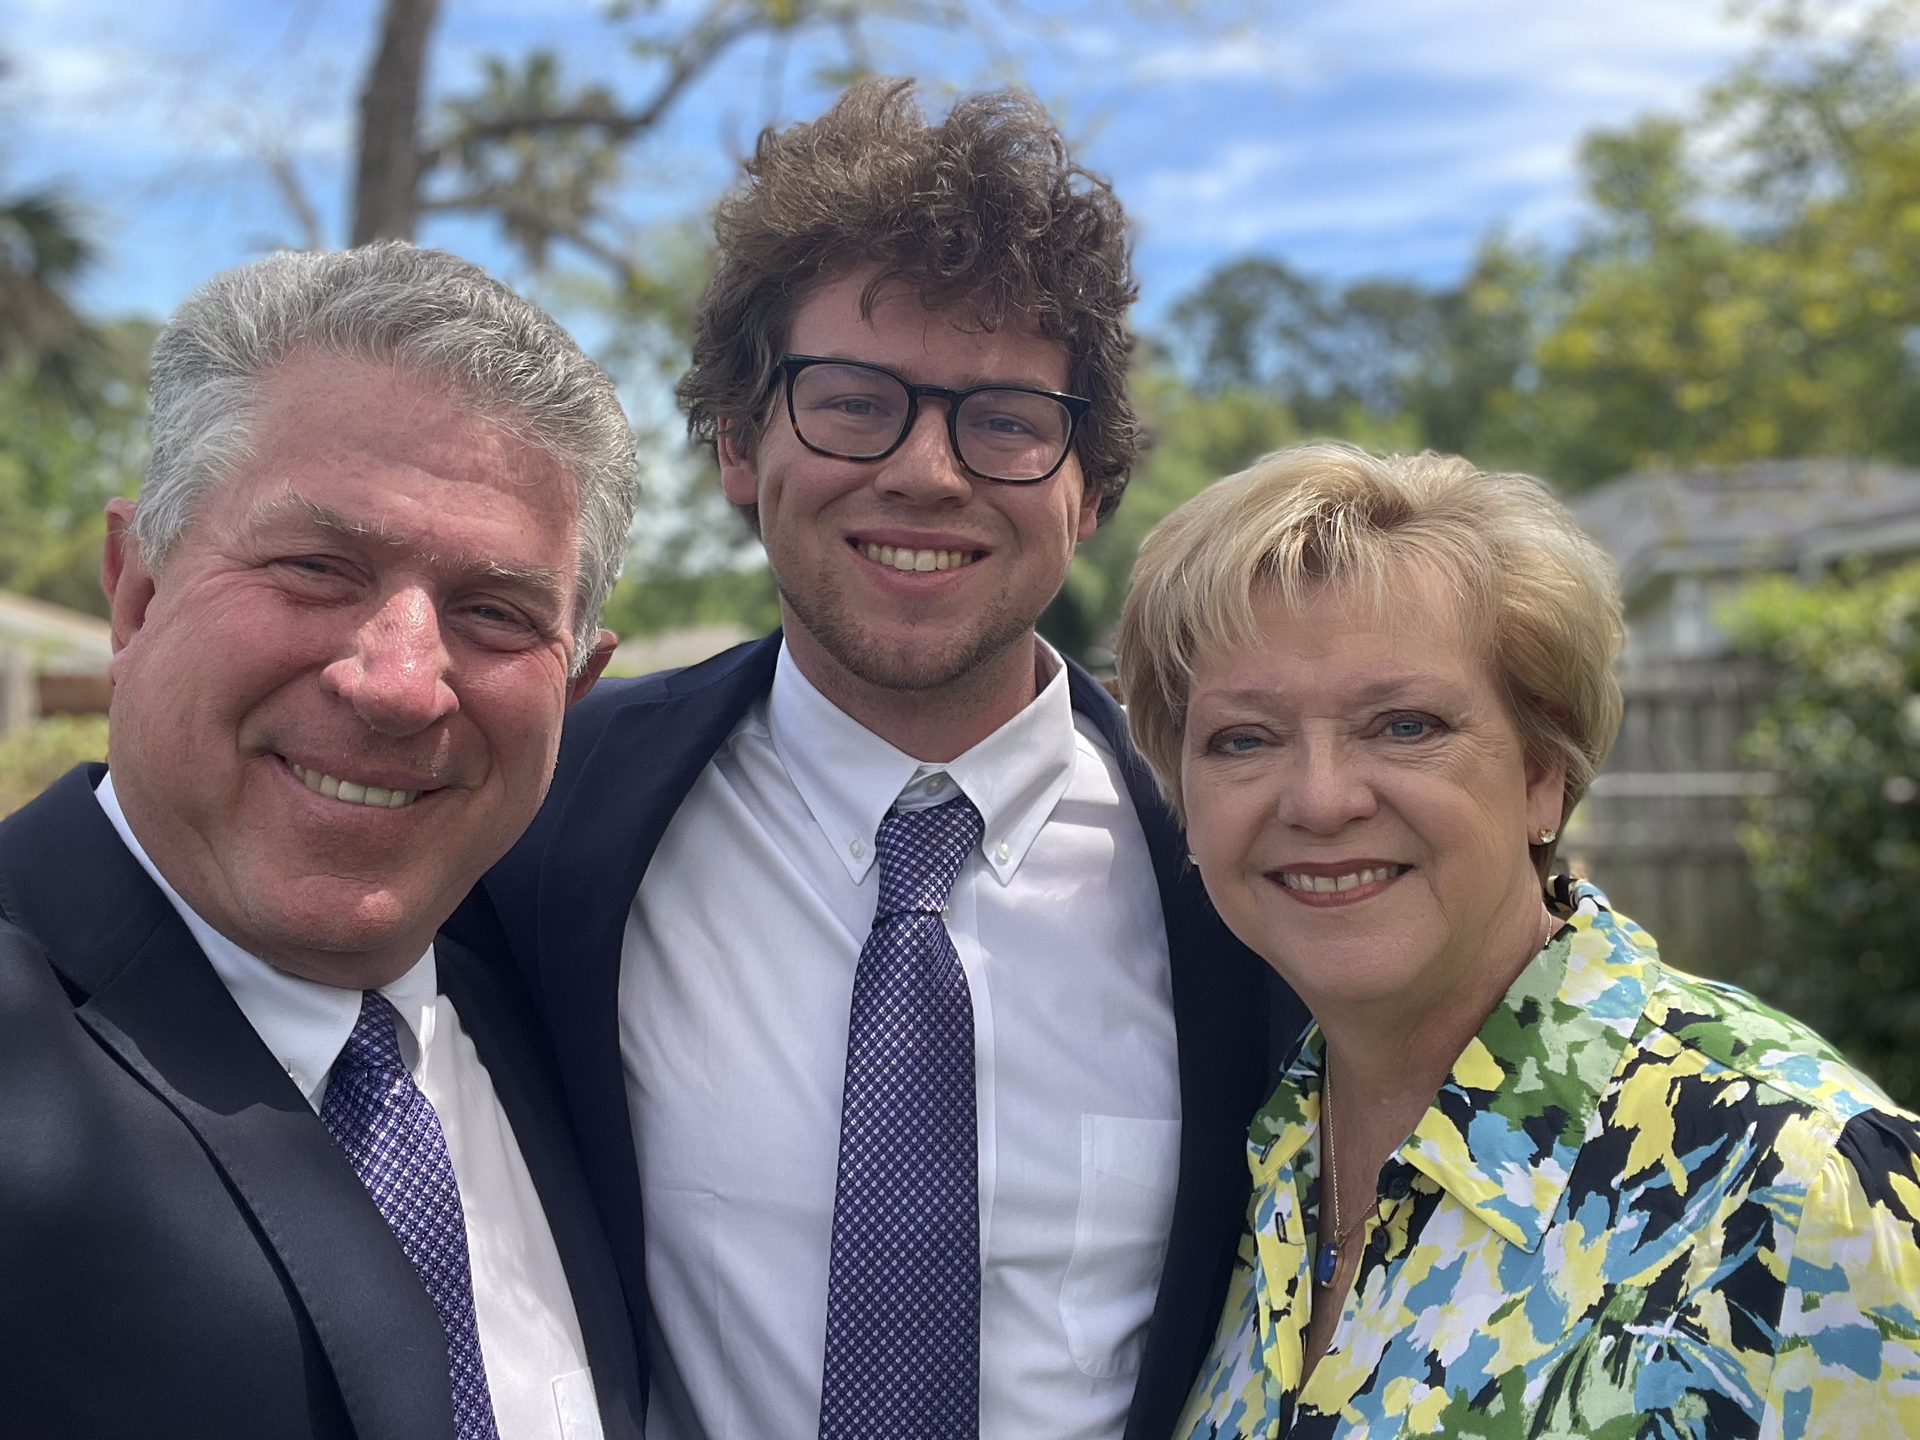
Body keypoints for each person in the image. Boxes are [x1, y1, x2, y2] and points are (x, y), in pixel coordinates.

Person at [444, 80, 1308, 1440]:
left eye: (1009, 422)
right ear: (738, 443)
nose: (926, 472)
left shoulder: (1244, 858)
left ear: (1088, 487)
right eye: (851, 402)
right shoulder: (543, 808)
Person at [1114, 441, 1920, 1438]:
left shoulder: (1798, 1188)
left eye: (1404, 725)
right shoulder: (1266, 1160)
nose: (1320, 799)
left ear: (1543, 771)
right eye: (1243, 738)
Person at [0, 243, 647, 1440]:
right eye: (315, 567)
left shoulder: (569, 1030)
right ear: (135, 589)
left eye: (495, 613)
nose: (401, 683)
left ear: (580, 683)